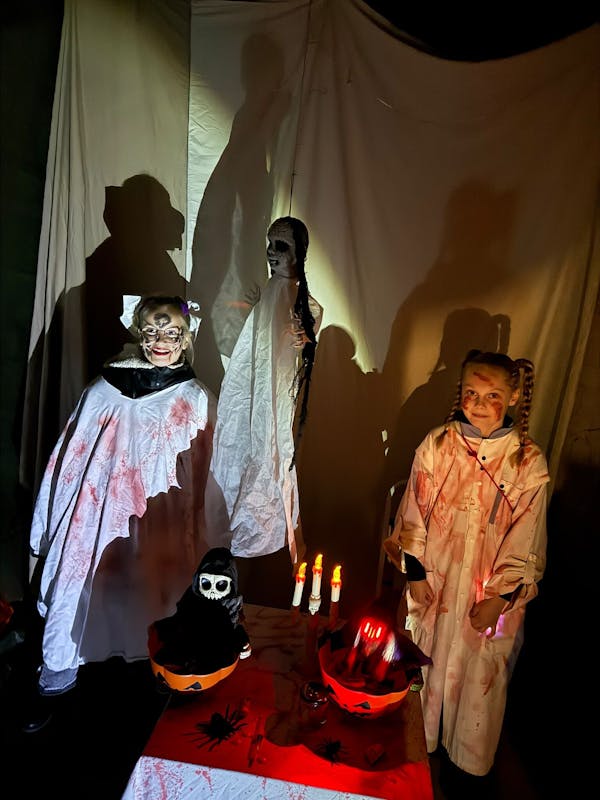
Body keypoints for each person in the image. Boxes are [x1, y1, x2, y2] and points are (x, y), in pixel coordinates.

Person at [23, 294, 227, 730]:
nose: (161, 342)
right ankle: (56, 679)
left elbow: (209, 469)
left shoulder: (194, 397)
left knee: (160, 592)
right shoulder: (104, 389)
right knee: (82, 587)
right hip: (98, 515)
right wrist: (50, 520)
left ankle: (163, 680)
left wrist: (206, 529)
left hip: (161, 516)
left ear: (186, 338)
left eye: (171, 333)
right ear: (138, 333)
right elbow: (71, 457)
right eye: (152, 332)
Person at [383, 350, 549, 787]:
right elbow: (413, 511)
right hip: (434, 585)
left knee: (478, 680)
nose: (478, 404)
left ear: (512, 397)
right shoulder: (438, 445)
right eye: (471, 393)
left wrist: (500, 598)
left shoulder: (526, 462)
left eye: (492, 395)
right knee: (423, 665)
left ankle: (464, 772)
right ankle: (415, 757)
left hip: (486, 598)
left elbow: (527, 535)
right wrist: (415, 574)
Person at [210, 216, 322, 604]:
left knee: (267, 476)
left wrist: (305, 341)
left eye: (282, 246)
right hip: (245, 409)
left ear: (299, 253)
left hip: (273, 413)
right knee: (236, 477)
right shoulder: (267, 297)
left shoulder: (303, 305)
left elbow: (296, 360)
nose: (272, 253)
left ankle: (263, 572)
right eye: (270, 244)